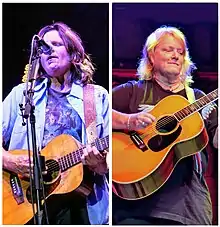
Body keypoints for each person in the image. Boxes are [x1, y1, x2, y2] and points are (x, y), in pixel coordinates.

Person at [3, 22, 109, 225]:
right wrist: (7, 160)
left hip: (78, 206)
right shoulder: (22, 94)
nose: (48, 50)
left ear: (74, 54)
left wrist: (101, 164)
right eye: (43, 47)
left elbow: (111, 159)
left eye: (56, 44)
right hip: (23, 201)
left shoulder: (96, 97)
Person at [112, 26, 218, 225]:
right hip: (134, 208)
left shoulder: (197, 99)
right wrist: (129, 121)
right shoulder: (133, 91)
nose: (176, 56)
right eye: (168, 50)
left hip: (188, 207)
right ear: (151, 55)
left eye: (181, 52)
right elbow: (100, 113)